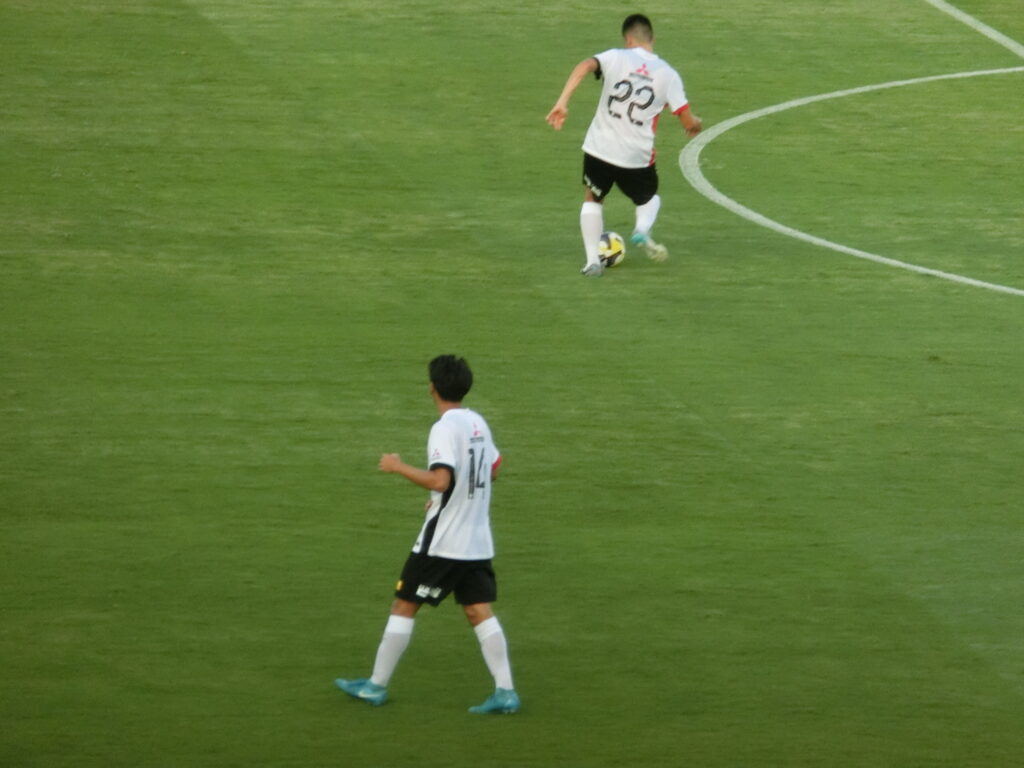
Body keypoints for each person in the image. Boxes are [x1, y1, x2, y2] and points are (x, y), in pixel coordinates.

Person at [335, 355, 520, 715]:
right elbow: (494, 469)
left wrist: (398, 466)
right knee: (478, 611)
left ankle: (375, 686)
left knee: (404, 604)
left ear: (432, 388)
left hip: (443, 543)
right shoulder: (478, 422)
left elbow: (440, 480)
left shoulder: (444, 428)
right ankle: (506, 691)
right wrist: (447, 499)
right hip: (476, 541)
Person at [546, 13, 703, 277]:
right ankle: (642, 228)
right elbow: (687, 121)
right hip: (636, 155)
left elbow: (584, 65)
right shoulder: (668, 74)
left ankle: (592, 261)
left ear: (628, 39)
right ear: (652, 38)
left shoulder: (615, 56)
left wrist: (562, 102)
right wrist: (696, 123)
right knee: (648, 199)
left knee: (593, 198)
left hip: (599, 147)